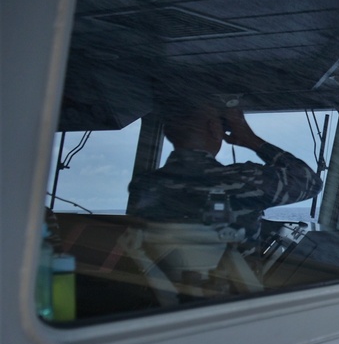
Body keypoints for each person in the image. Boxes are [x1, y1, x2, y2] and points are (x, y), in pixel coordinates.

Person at [128, 101, 322, 248]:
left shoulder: (143, 184)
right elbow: (310, 182)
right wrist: (250, 138)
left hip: (159, 288)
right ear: (214, 128)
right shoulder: (243, 180)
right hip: (231, 287)